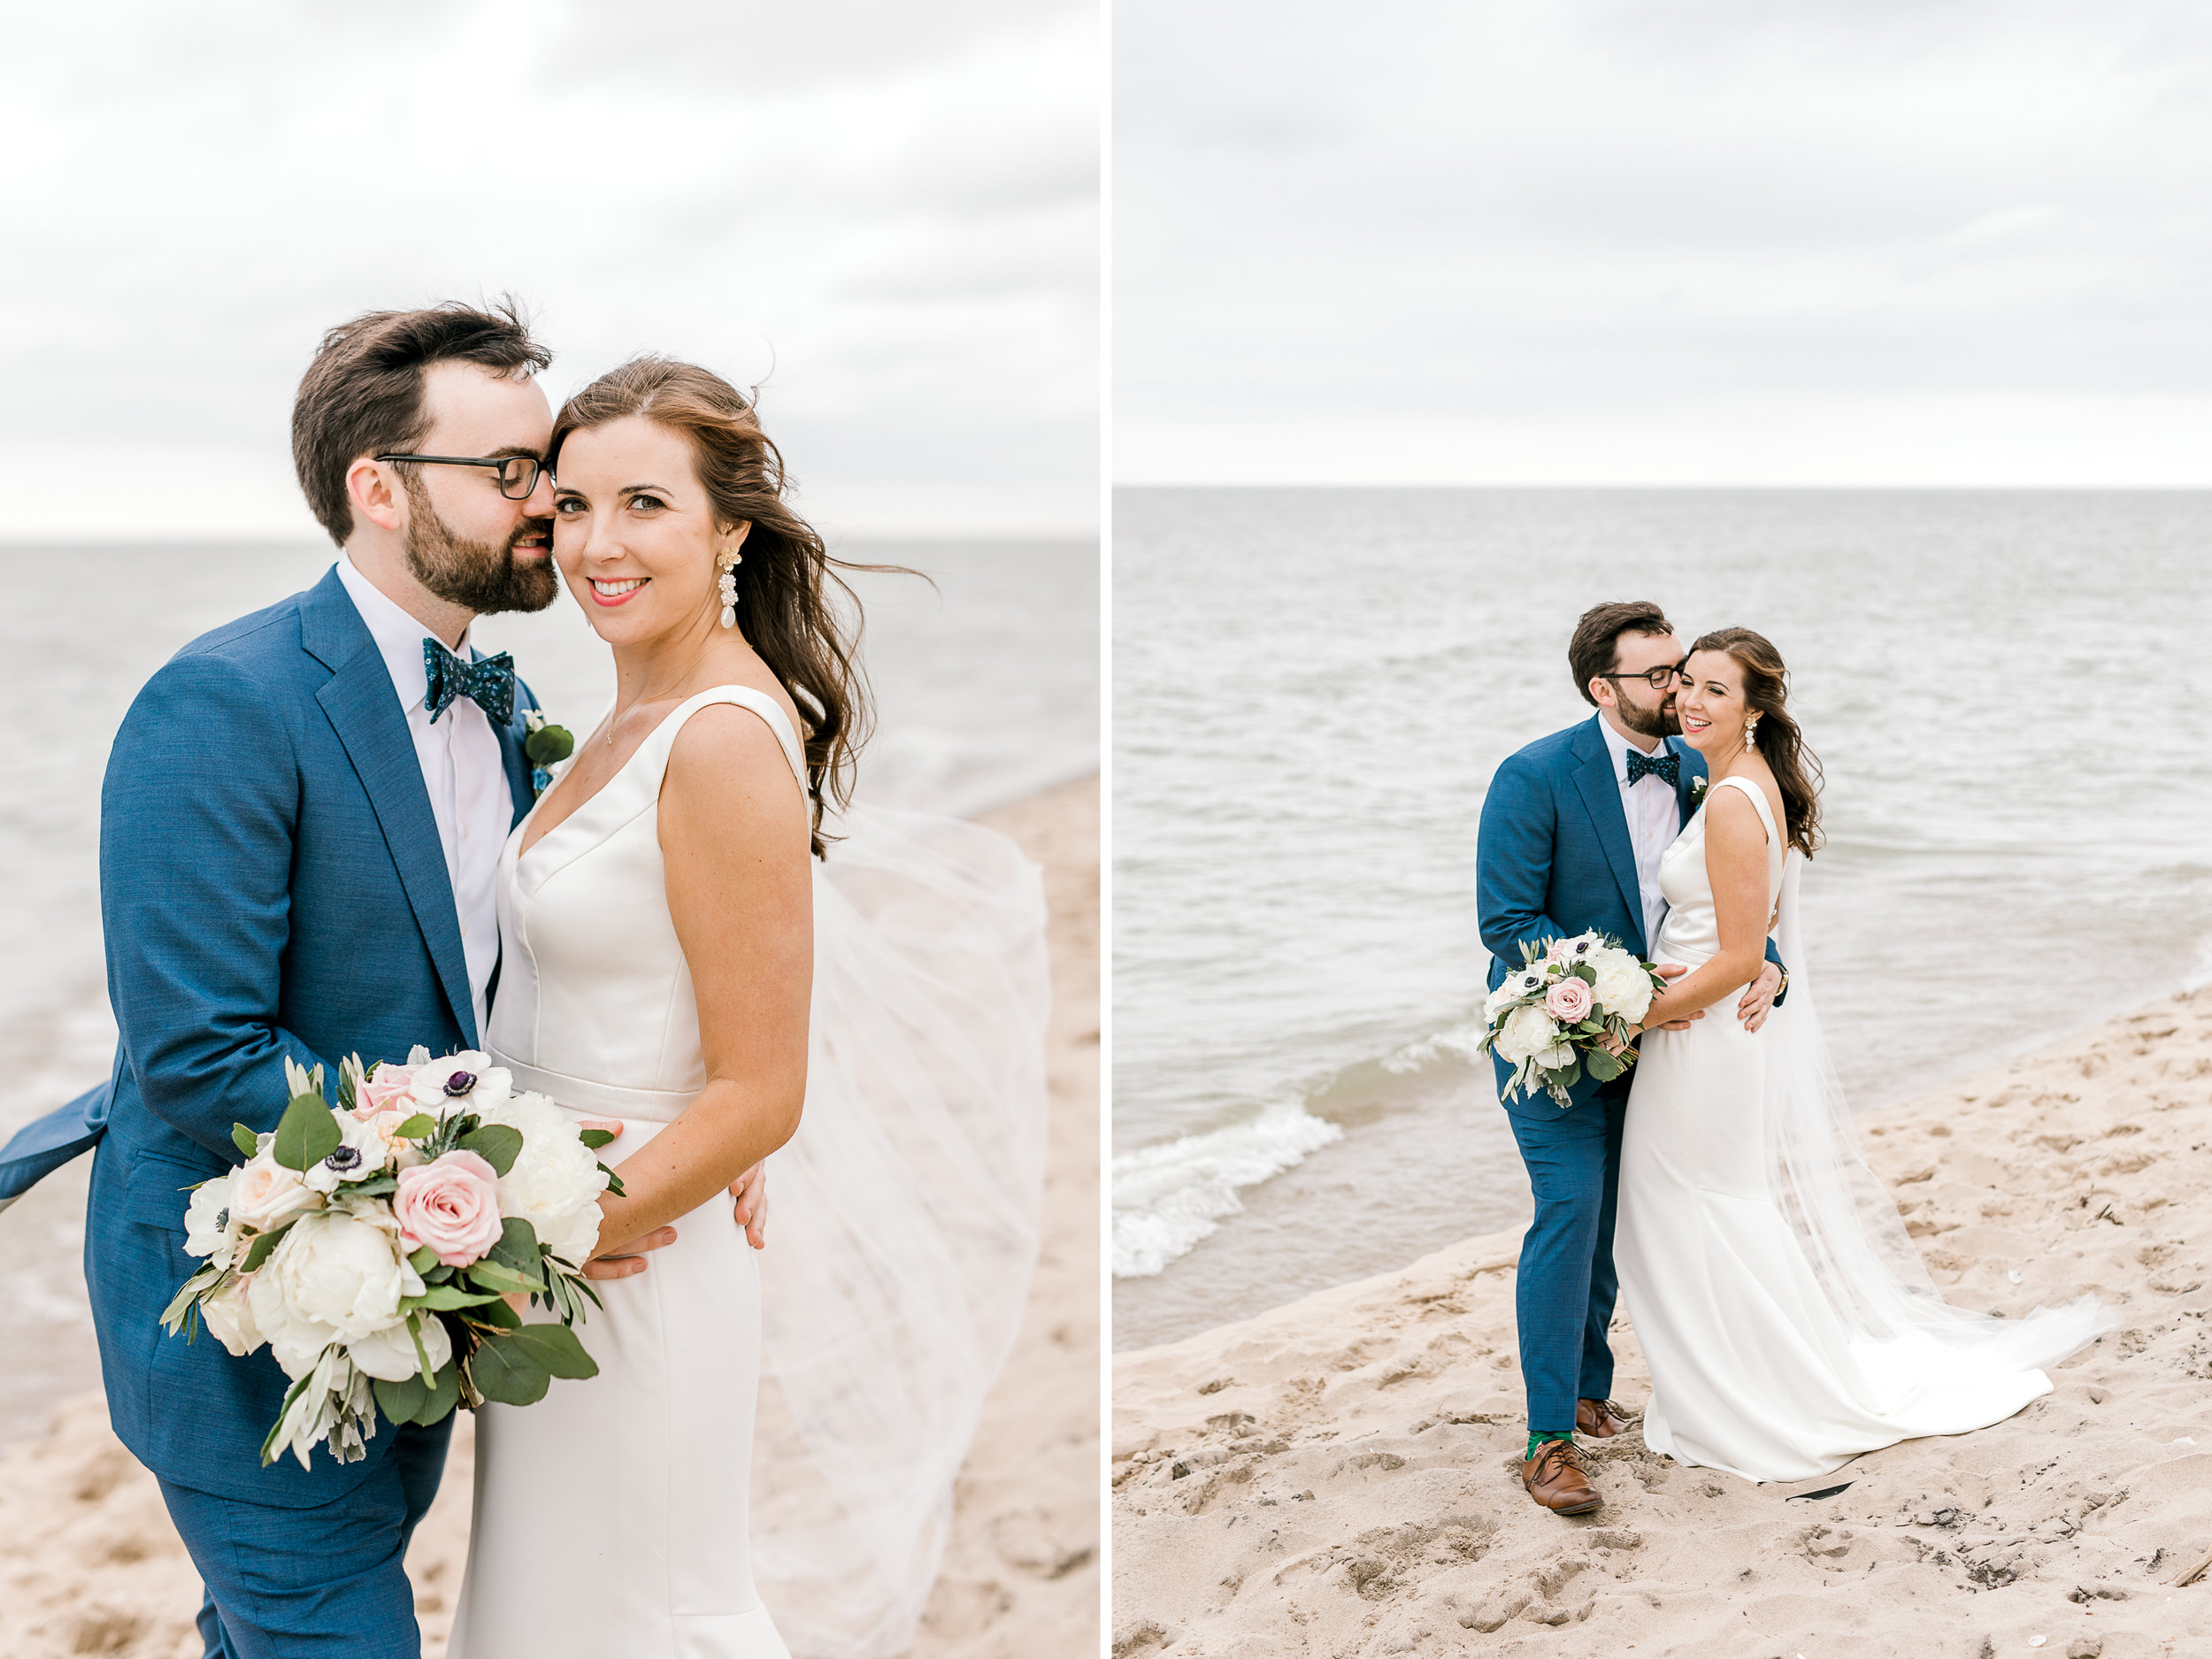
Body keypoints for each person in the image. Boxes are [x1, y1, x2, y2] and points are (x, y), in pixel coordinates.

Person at [0, 301, 757, 1658]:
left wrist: (694, 1110)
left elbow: (514, 986)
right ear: (381, 489)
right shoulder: (224, 699)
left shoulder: (507, 708)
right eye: (516, 473)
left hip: (420, 1319)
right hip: (245, 1325)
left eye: (558, 473)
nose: (552, 512)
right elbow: (202, 1052)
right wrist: (531, 1196)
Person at [446, 357, 1049, 1658]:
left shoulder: (718, 734)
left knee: (645, 1608)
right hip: (568, 1242)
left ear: (730, 529)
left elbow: (760, 1088)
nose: (599, 543)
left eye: (647, 504)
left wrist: (538, 1243)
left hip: (626, 1257)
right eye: (577, 502)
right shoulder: (625, 715)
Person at [1612, 626, 2104, 1483]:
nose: (1690, 700)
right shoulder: (1739, 780)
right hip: (1720, 1040)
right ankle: (1728, 1384)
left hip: (1701, 1044)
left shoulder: (1731, 800)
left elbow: (1733, 958)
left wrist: (1641, 1012)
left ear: (1755, 708)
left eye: (1714, 691)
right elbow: (1758, 936)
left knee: (1691, 1213)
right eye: (1685, 683)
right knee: (1709, 1212)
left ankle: (1747, 1399)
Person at [1474, 600, 1788, 1517]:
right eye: (1656, 676)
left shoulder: (1703, 769)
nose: (1675, 690)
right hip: (1559, 1039)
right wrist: (1620, 990)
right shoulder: (1533, 775)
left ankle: (1587, 1383)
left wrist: (1769, 964)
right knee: (1570, 1207)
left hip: (1672, 1040)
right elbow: (1507, 923)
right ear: (1598, 687)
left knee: (1621, 1207)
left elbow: (1742, 901)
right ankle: (1546, 1439)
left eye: (1681, 672)